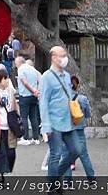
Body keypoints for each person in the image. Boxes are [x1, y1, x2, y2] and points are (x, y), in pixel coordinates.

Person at [38, 46, 81, 186]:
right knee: (55, 154)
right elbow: (43, 101)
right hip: (53, 122)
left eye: (65, 55)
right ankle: (52, 186)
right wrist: (46, 125)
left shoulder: (67, 76)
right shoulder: (46, 77)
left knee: (76, 150)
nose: (65, 58)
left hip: (68, 121)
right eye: (62, 55)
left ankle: (55, 177)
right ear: (54, 58)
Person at [66, 75, 95, 180]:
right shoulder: (82, 99)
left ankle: (67, 181)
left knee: (66, 155)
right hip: (79, 129)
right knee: (84, 155)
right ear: (77, 85)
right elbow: (88, 114)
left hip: (67, 129)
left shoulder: (63, 98)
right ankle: (91, 179)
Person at [15, 56, 41, 145]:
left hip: (25, 95)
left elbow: (24, 82)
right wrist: (36, 91)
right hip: (33, 96)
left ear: (19, 62)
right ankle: (36, 137)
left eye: (16, 63)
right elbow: (38, 81)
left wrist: (32, 91)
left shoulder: (21, 69)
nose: (15, 65)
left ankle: (25, 137)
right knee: (33, 117)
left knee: (24, 117)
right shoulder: (33, 69)